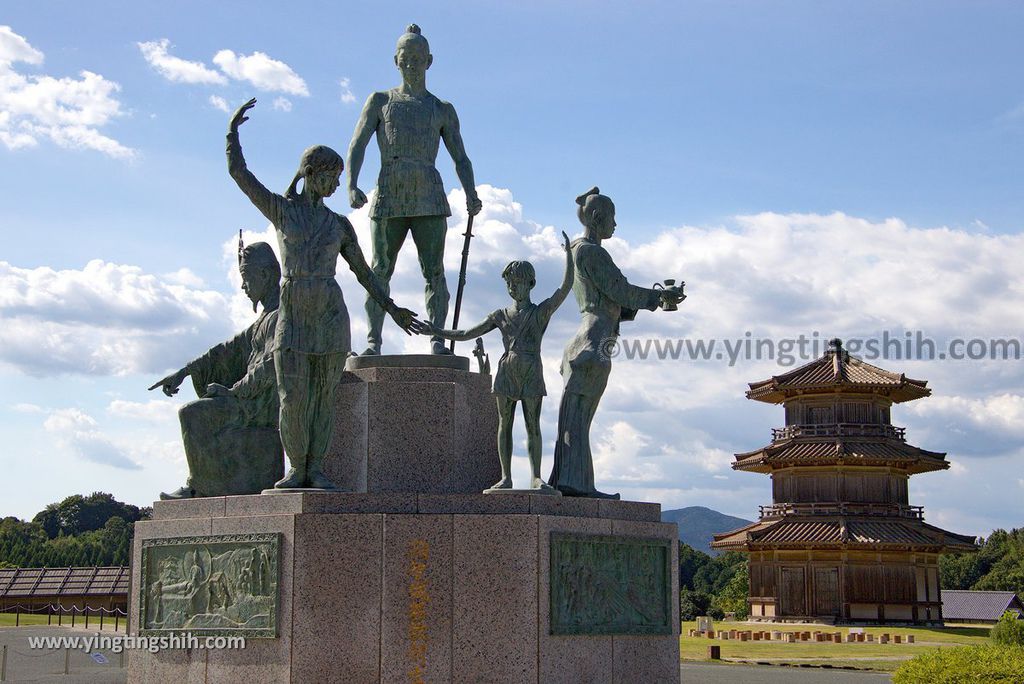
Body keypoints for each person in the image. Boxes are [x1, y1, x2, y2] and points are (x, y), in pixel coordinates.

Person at [227, 98, 420, 490]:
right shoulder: (282, 211)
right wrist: (233, 135)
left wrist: (393, 309)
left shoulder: (339, 225)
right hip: (294, 313)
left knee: (322, 399)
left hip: (331, 316)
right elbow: (241, 175)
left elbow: (366, 274)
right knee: (292, 397)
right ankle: (297, 467)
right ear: (311, 174)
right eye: (331, 177)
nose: (335, 185)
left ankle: (316, 467)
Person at [347, 24, 482, 356]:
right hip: (389, 193)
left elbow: (461, 157)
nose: (411, 64)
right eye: (406, 57)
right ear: (396, 60)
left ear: (429, 61)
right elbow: (357, 144)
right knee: (379, 269)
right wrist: (351, 184)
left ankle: (437, 337)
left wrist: (471, 192)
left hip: (429, 195)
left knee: (434, 270)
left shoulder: (442, 109)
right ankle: (373, 341)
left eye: (418, 58)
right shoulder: (380, 101)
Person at [549, 188, 685, 498]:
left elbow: (615, 297)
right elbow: (620, 291)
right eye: (612, 218)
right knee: (579, 417)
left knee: (576, 417)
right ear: (597, 218)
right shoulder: (591, 252)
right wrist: (659, 297)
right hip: (593, 341)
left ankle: (572, 480)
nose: (615, 225)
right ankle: (576, 484)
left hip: (590, 338)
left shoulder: (575, 248)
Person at [419, 232, 573, 490]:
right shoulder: (500, 315)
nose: (513, 287)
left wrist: (568, 255)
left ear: (531, 283)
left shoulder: (541, 312)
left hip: (531, 369)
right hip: (507, 370)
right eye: (510, 283)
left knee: (533, 424)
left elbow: (565, 288)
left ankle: (536, 477)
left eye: (518, 282)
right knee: (504, 424)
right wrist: (437, 331)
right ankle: (506, 477)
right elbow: (468, 333)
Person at [149, 241, 284, 499]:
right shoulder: (263, 319)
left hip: (260, 405)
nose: (243, 286)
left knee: (192, 414)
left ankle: (199, 486)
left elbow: (268, 367)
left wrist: (232, 393)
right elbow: (225, 351)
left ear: (265, 275)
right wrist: (185, 372)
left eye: (246, 278)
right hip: (248, 399)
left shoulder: (281, 316)